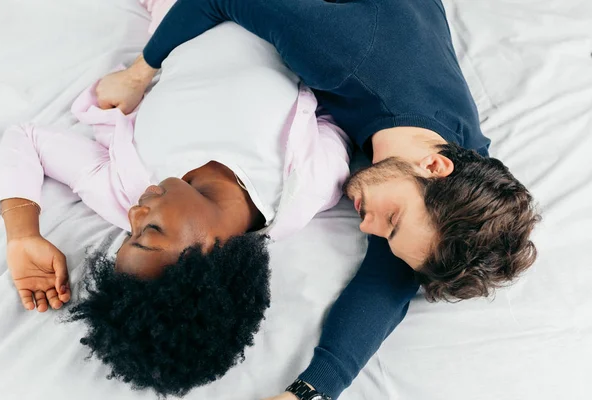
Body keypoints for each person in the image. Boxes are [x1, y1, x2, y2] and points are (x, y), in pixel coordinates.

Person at [92, 1, 542, 399]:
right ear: (435, 168)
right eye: (392, 221)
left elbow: (387, 287)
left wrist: (310, 393)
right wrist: (137, 74)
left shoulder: (462, 170)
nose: (368, 227)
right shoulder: (345, 56)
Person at [0, 23, 351, 397]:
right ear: (212, 251)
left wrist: (22, 234)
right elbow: (335, 108)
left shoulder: (126, 190)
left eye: (128, 235)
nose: (133, 216)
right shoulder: (303, 188)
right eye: (148, 234)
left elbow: (28, 139)